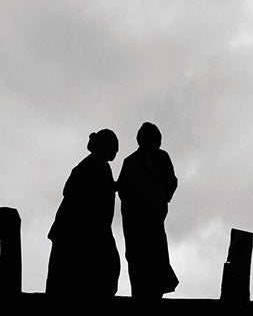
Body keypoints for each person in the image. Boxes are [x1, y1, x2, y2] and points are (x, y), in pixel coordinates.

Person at [47, 129, 121, 297]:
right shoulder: (96, 165)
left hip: (78, 229)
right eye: (113, 148)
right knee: (101, 268)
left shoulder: (93, 165)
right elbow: (78, 191)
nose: (115, 153)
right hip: (81, 230)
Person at [117, 122, 179, 299]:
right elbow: (122, 188)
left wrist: (159, 201)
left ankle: (152, 292)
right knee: (136, 256)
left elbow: (171, 182)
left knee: (154, 254)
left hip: (151, 216)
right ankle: (140, 292)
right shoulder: (130, 161)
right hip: (134, 218)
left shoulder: (161, 158)